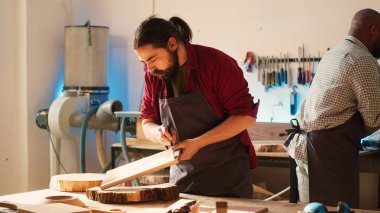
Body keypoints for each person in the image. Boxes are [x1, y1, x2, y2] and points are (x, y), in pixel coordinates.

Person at [133, 16, 260, 198]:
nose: (149, 68)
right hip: (182, 179)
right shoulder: (153, 75)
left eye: (152, 59)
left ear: (172, 44)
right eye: (144, 62)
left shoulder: (216, 64)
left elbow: (245, 116)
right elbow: (147, 121)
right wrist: (158, 133)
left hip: (227, 178)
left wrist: (198, 143)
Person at [285, 8, 380, 208]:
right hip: (326, 155)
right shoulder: (362, 59)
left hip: (307, 148)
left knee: (310, 209)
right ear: (374, 30)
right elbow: (374, 120)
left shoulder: (335, 52)